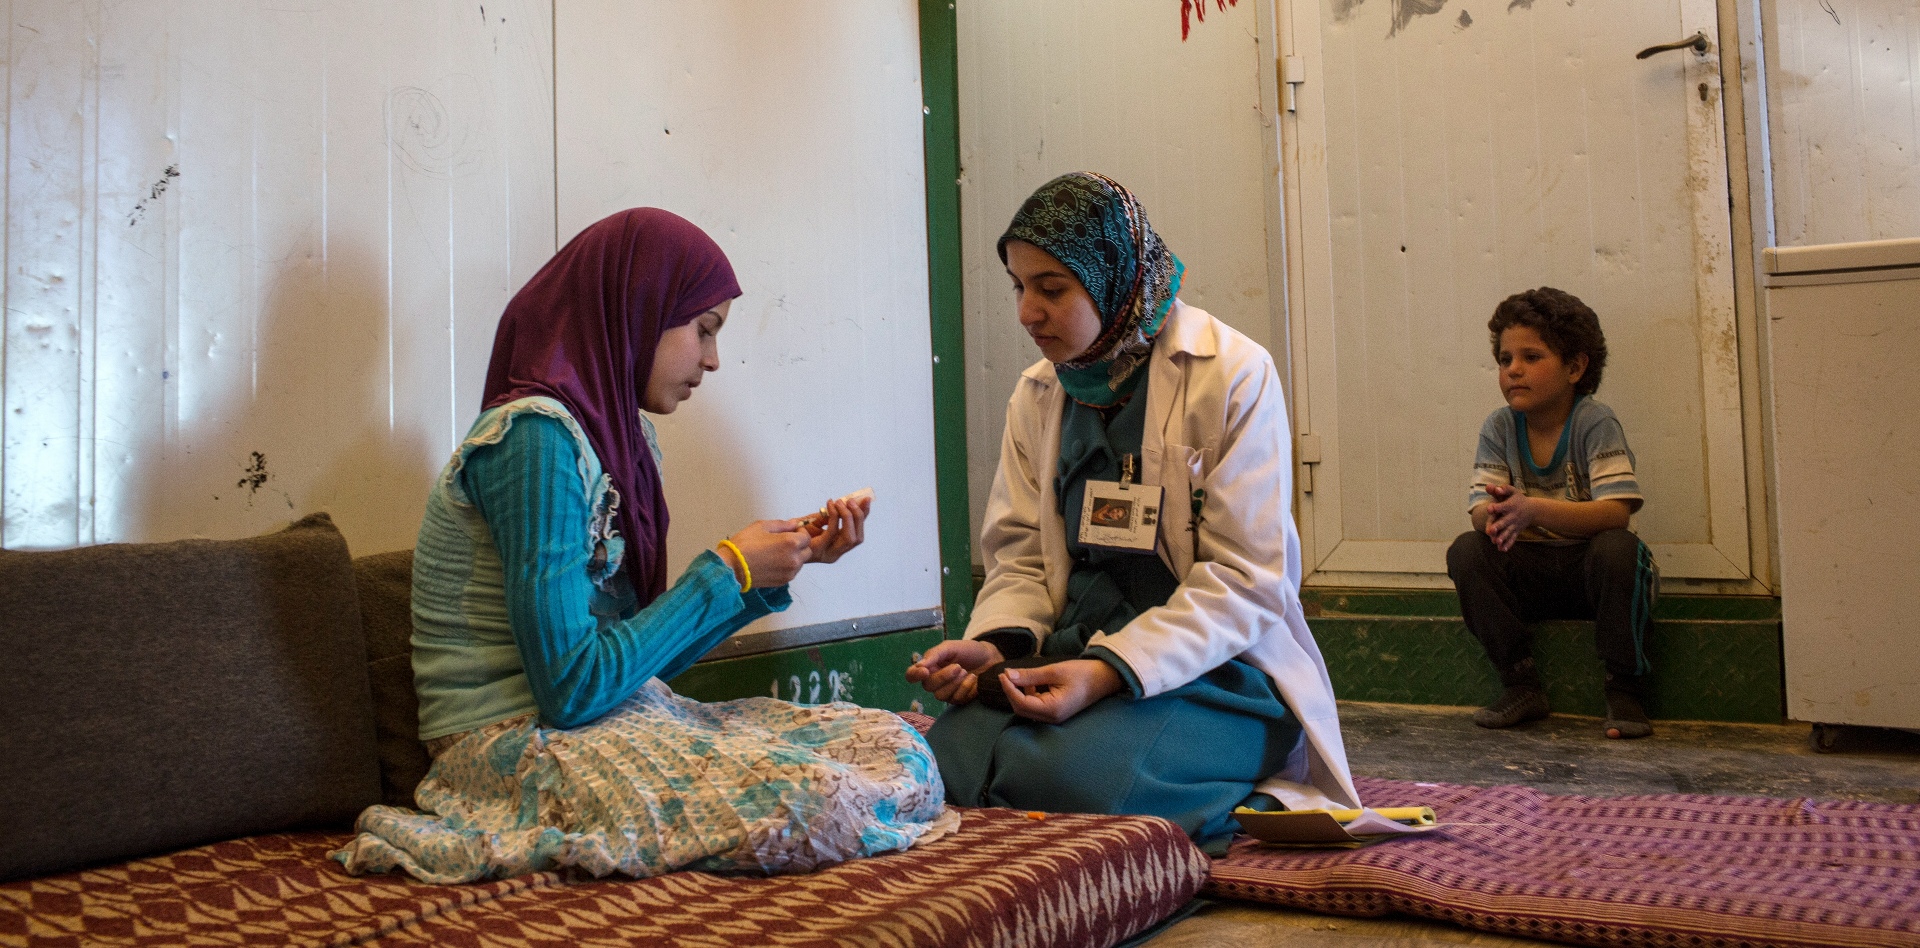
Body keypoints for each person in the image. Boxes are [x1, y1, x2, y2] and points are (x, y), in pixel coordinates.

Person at [332, 208, 954, 884]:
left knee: (896, 746)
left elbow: (630, 660)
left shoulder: (621, 443)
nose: (713, 359)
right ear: (637, 308)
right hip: (511, 747)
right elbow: (571, 689)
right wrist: (726, 571)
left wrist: (765, 572)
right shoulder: (533, 441)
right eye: (703, 330)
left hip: (603, 718)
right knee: (819, 798)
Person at [905, 172, 1359, 851]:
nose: (1028, 312)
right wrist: (998, 644)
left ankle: (1245, 771)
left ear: (1114, 275)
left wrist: (1109, 672)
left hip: (1214, 666)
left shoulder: (1233, 373)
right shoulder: (1037, 395)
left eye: (1051, 288)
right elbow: (1022, 554)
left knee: (1084, 790)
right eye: (1019, 287)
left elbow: (1247, 580)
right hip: (1071, 655)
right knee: (943, 766)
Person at [1446, 287, 1657, 740]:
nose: (1513, 370)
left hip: (1589, 574)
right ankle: (1520, 683)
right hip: (1533, 577)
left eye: (1531, 357)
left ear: (1575, 368)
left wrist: (1531, 509)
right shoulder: (1500, 426)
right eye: (1505, 360)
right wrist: (1495, 516)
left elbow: (1616, 512)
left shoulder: (1593, 422)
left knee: (1621, 551)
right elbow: (1478, 511)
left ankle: (1626, 688)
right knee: (1467, 552)